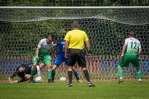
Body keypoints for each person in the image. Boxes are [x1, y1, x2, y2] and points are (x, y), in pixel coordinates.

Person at [64, 21, 95, 87]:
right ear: (78, 26)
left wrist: (66, 52)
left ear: (72, 27)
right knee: (83, 67)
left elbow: (66, 43)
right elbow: (87, 43)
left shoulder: (69, 33)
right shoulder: (83, 32)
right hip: (80, 51)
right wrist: (89, 52)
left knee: (70, 67)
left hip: (71, 51)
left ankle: (70, 84)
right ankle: (89, 83)